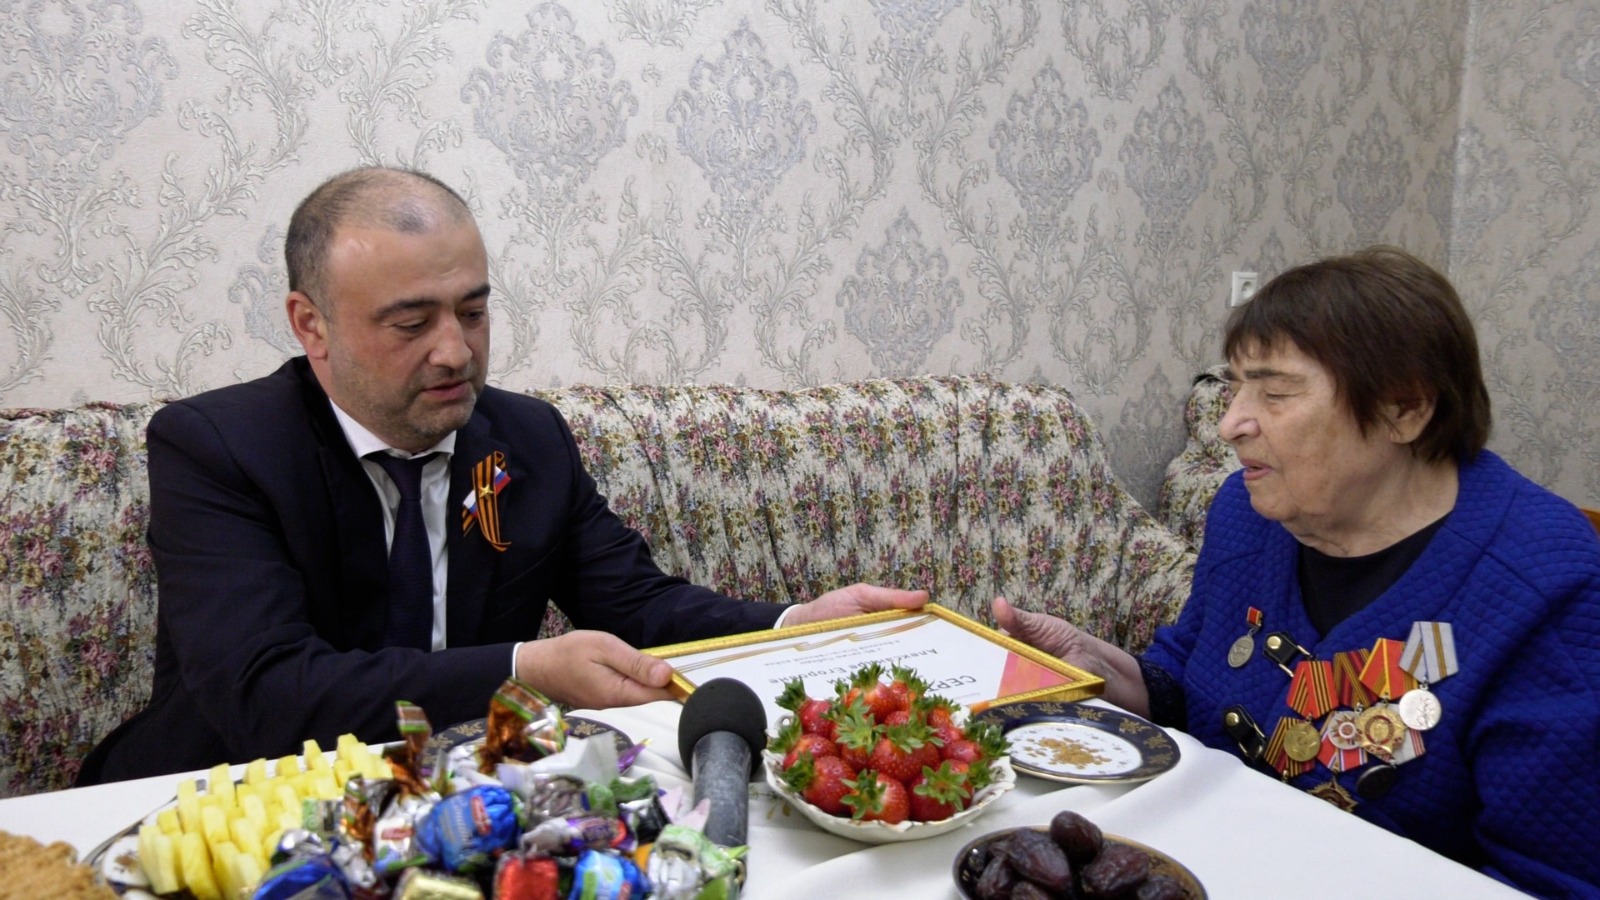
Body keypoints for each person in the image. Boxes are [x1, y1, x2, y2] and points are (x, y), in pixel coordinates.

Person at [79, 166, 926, 783]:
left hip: (468, 792)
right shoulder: (219, 448)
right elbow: (267, 694)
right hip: (231, 796)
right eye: (411, 323)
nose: (456, 351)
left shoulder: (526, 439)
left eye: (474, 311)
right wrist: (523, 670)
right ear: (312, 325)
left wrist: (792, 624)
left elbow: (638, 606)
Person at [993, 247, 1600, 896]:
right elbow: (1191, 670)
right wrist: (1099, 668)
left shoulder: (1548, 583)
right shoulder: (1247, 512)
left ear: (1405, 409)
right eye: (1235, 388)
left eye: (1275, 392)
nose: (1230, 424)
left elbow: (1551, 879)